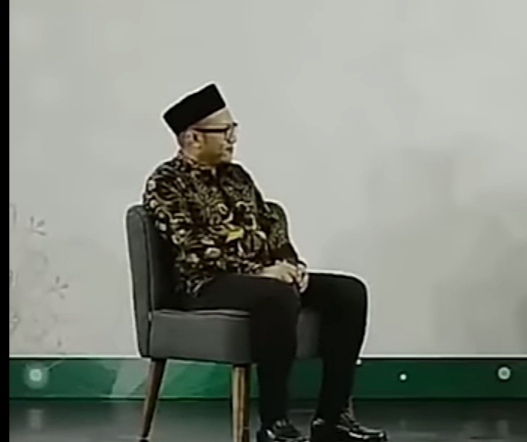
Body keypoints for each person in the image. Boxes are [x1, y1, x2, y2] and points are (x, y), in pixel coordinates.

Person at [142, 84, 387, 442]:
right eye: (224, 131)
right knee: (275, 295)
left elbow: (270, 227)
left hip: (258, 280)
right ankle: (274, 423)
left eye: (234, 129)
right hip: (204, 284)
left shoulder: (238, 177)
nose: (233, 139)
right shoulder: (166, 183)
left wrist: (291, 266)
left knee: (348, 291)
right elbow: (195, 249)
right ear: (193, 137)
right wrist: (262, 273)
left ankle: (332, 418)